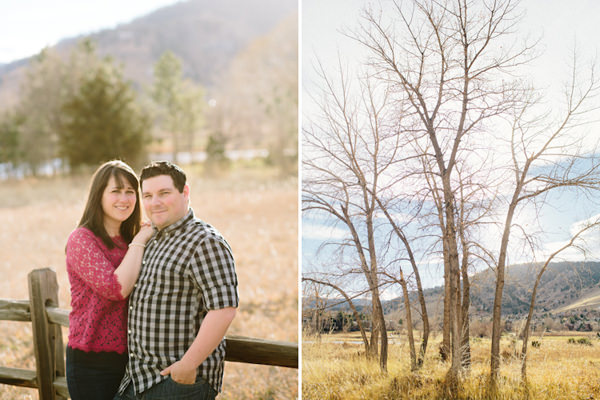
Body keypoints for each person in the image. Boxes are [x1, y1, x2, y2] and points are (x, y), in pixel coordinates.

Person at [115, 161, 238, 400]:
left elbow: (224, 309)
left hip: (177, 383)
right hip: (138, 378)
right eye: (148, 195)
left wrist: (187, 365)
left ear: (185, 193)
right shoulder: (151, 238)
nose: (155, 202)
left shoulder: (204, 241)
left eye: (164, 193)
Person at [65, 160, 154, 400]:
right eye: (116, 191)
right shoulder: (82, 240)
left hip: (134, 360)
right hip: (92, 362)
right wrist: (141, 239)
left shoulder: (130, 238)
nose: (124, 199)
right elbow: (117, 289)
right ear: (99, 195)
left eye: (130, 192)